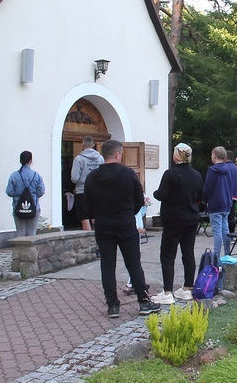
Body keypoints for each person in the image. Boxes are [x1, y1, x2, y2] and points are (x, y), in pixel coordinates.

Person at [84, 139, 159, 318]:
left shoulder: (92, 177)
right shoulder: (128, 174)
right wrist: (128, 213)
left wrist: (99, 215)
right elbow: (139, 200)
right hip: (125, 223)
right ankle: (143, 300)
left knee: (107, 265)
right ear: (118, 154)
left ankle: (112, 305)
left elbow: (87, 204)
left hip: (103, 224)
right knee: (133, 263)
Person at [150, 143, 203, 305]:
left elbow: (161, 194)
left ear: (176, 155)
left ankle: (167, 292)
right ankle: (187, 288)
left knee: (167, 254)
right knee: (188, 252)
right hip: (191, 218)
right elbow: (200, 196)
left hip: (173, 219)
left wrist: (155, 193)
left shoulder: (170, 174)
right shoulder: (196, 175)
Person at [203, 146, 236, 258]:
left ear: (215, 156)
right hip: (226, 202)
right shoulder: (229, 169)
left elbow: (208, 187)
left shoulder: (212, 170)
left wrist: (204, 200)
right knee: (225, 229)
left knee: (216, 230)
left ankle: (216, 257)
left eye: (212, 155)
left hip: (215, 203)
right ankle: (227, 254)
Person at [6, 150, 46, 237]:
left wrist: (18, 194)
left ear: (20, 161)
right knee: (32, 234)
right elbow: (41, 191)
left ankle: (21, 250)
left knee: (20, 233)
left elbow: (9, 191)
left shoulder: (14, 175)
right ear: (30, 161)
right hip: (34, 207)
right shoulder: (36, 175)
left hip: (18, 207)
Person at [71, 136, 105, 231]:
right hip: (97, 191)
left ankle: (88, 242)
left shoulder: (79, 159)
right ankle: (99, 239)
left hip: (82, 191)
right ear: (93, 145)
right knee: (95, 217)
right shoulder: (100, 158)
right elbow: (103, 174)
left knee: (85, 218)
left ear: (82, 144)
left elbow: (74, 178)